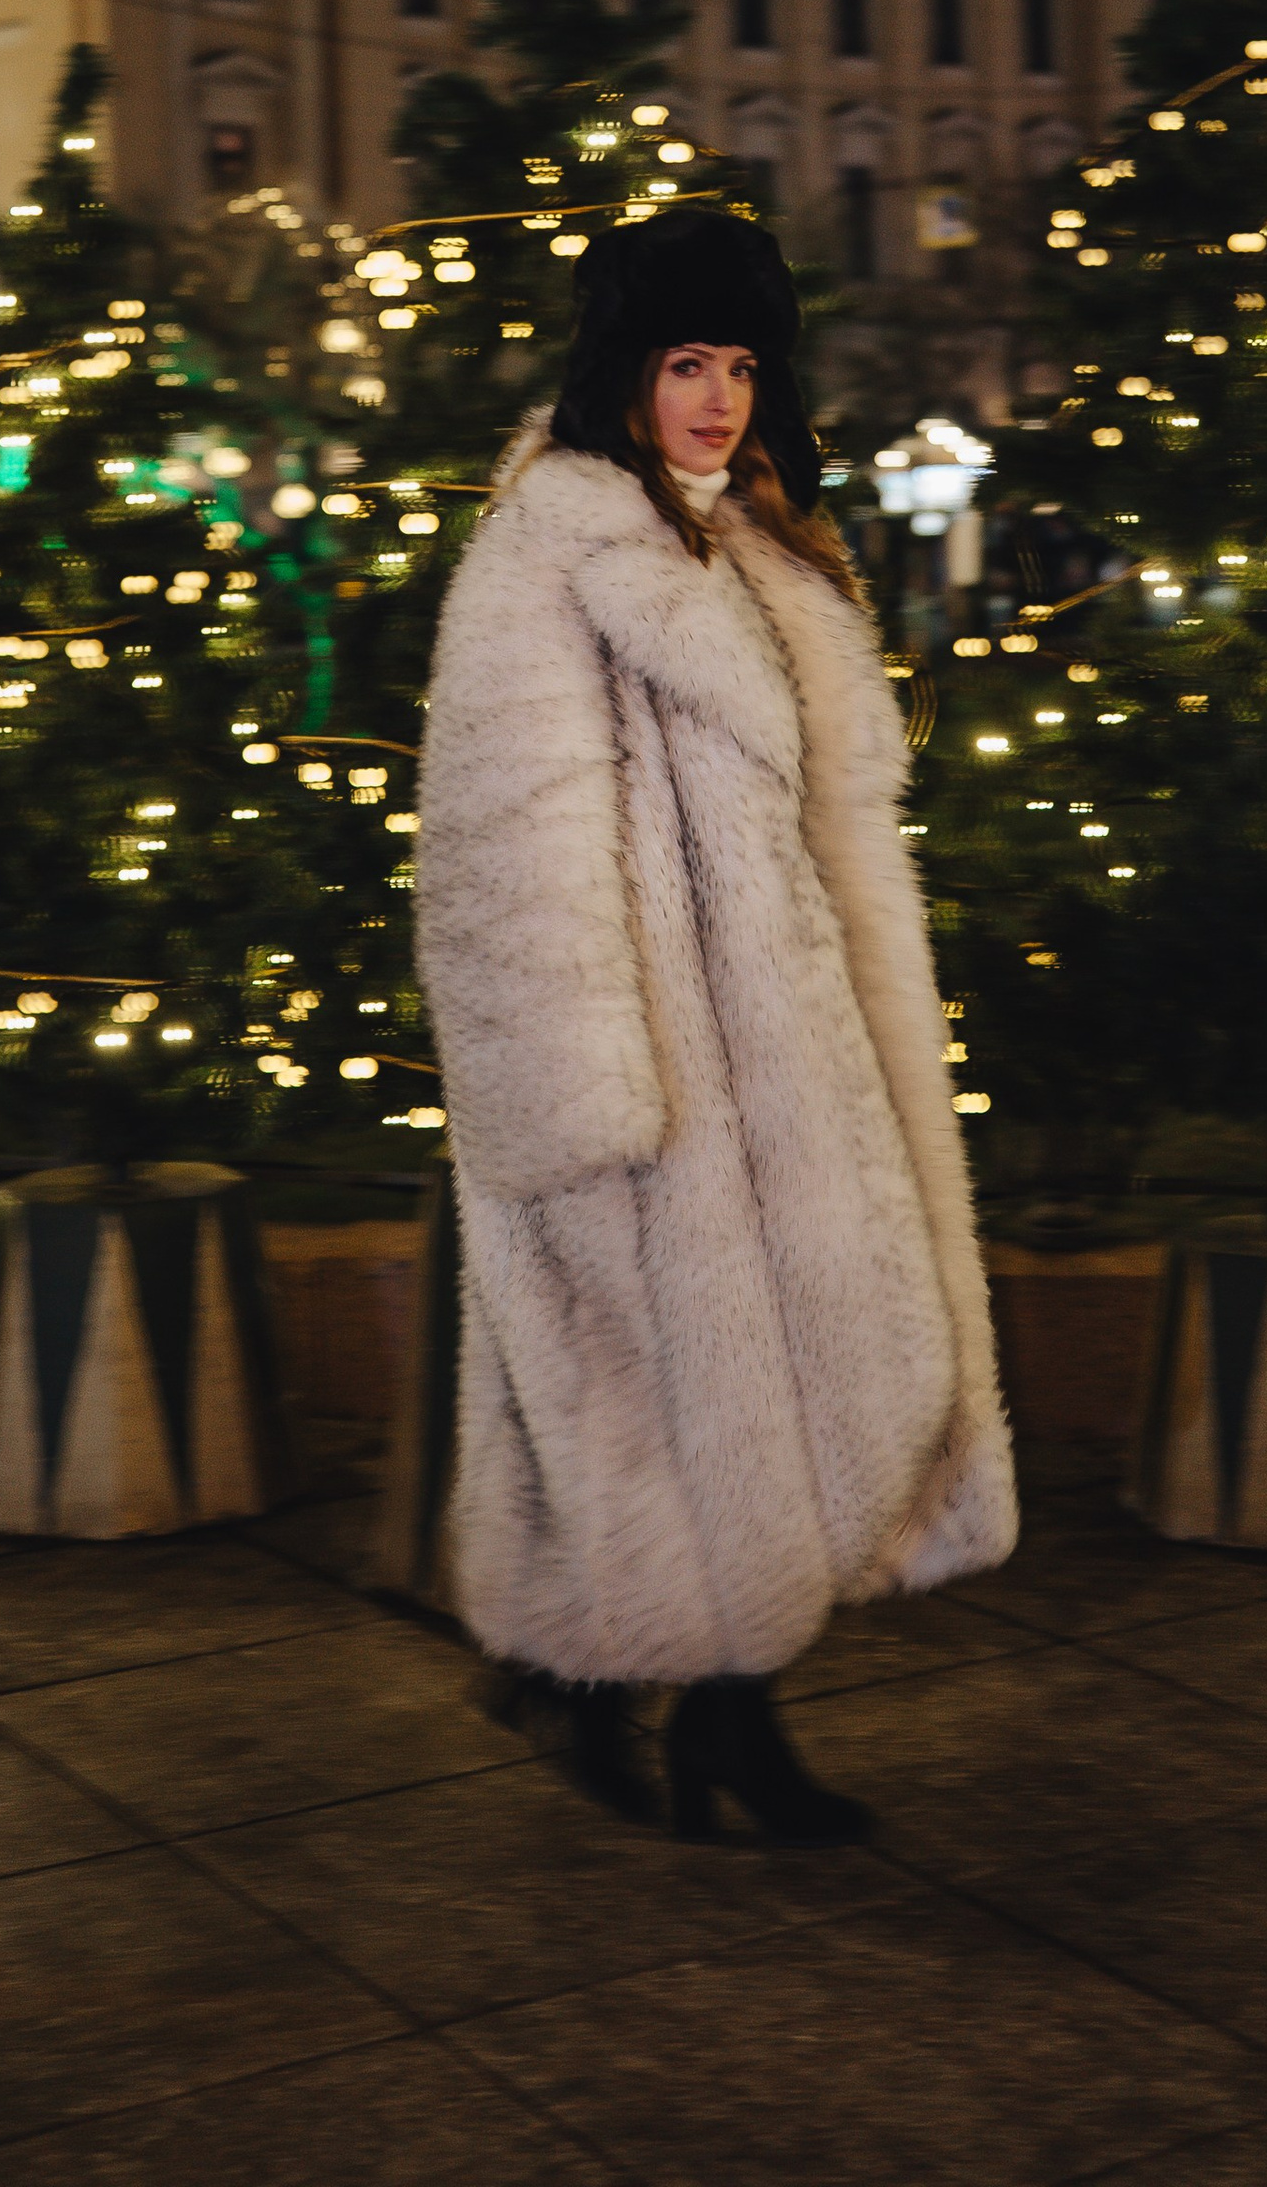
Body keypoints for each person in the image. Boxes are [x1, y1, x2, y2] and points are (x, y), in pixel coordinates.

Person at [414, 206, 1017, 1842]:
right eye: (688, 362)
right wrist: (573, 1092)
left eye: (742, 366)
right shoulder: (551, 550)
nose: (719, 399)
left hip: (791, 1059)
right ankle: (654, 1698)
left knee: (801, 1389)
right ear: (625, 367)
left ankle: (677, 1704)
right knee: (665, 1409)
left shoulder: (757, 544)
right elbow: (505, 839)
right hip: (650, 1069)